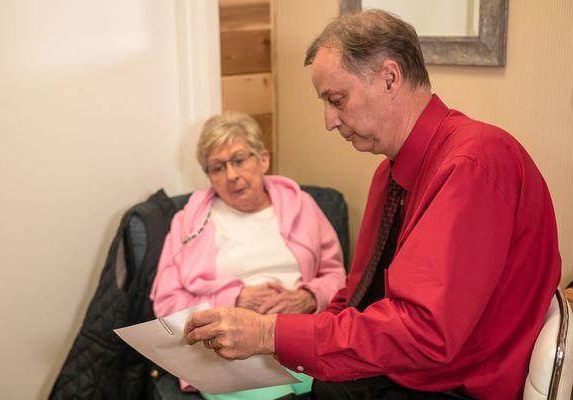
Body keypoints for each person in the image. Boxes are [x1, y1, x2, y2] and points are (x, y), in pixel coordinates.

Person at [183, 10, 562, 400]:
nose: (329, 120)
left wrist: (269, 334)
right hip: (411, 371)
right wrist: (289, 349)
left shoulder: (474, 163)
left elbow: (425, 333)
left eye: (337, 99)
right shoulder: (390, 175)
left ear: (389, 77)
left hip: (456, 384)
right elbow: (357, 296)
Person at [150, 111, 346, 399]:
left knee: (335, 388)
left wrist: (308, 298)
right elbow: (167, 304)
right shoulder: (188, 222)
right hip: (229, 349)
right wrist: (234, 301)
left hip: (297, 335)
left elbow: (336, 275)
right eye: (217, 167)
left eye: (240, 160)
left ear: (263, 159)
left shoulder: (302, 205)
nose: (232, 175)